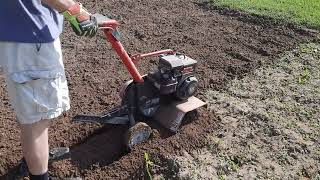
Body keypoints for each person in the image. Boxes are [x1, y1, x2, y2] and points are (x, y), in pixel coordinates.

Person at [0, 0, 98, 179]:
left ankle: (31, 162)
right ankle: (39, 174)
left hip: (16, 31)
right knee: (36, 121)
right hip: (31, 37)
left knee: (34, 114)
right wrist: (74, 10)